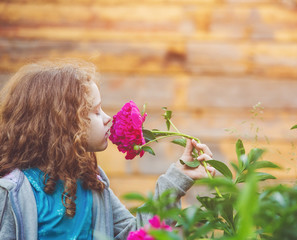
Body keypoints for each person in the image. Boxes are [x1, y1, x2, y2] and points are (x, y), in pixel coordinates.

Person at [0, 59, 215, 240]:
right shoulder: (12, 193)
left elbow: (136, 234)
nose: (107, 119)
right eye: (95, 111)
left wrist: (177, 179)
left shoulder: (91, 183)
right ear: (63, 123)